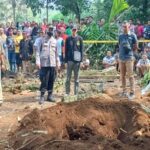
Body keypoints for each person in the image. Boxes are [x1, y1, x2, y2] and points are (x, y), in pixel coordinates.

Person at [36, 31, 60, 104]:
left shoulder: (55, 41)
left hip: (52, 64)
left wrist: (58, 62)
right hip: (44, 63)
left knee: (51, 79)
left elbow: (57, 53)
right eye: (49, 32)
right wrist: (38, 61)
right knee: (44, 80)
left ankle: (50, 95)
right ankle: (42, 96)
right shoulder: (42, 40)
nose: (50, 34)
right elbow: (37, 51)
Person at [119, 21, 138, 100]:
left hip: (129, 58)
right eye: (123, 27)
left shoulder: (133, 35)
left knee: (130, 75)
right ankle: (124, 91)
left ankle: (132, 92)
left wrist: (130, 51)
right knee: (122, 76)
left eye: (125, 27)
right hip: (121, 58)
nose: (124, 28)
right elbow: (119, 45)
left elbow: (136, 46)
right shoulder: (120, 36)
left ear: (129, 27)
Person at [65, 25, 83, 95]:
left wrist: (81, 61)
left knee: (77, 79)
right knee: (68, 78)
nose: (74, 31)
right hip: (69, 61)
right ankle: (67, 93)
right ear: (71, 30)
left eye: (75, 30)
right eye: (73, 30)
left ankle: (76, 93)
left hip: (77, 62)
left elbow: (81, 50)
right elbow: (66, 50)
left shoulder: (80, 38)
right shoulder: (68, 38)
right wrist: (65, 61)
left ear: (77, 30)